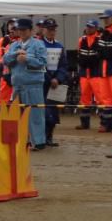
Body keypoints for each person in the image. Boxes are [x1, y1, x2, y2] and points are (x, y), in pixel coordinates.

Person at [3, 18, 48, 149]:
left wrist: (27, 58)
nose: (21, 32)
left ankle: (38, 142)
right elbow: (5, 60)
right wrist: (15, 55)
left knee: (35, 115)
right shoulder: (14, 45)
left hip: (33, 85)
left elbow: (42, 62)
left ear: (31, 30)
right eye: (19, 30)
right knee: (18, 115)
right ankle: (23, 140)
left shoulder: (38, 45)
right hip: (17, 85)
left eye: (24, 30)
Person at [41, 18, 68, 147]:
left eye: (53, 29)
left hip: (55, 83)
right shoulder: (39, 45)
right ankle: (42, 136)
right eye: (49, 29)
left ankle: (49, 136)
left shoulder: (59, 46)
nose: (52, 32)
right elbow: (40, 65)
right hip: (43, 82)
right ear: (44, 30)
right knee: (43, 111)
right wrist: (49, 78)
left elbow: (63, 65)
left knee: (53, 112)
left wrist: (58, 78)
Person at [75, 20, 102, 130]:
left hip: (96, 74)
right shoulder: (82, 40)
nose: (88, 29)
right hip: (84, 74)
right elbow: (79, 54)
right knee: (84, 99)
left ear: (96, 28)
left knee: (100, 99)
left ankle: (104, 124)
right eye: (87, 27)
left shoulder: (100, 39)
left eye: (91, 27)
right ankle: (84, 123)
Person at [0, 19, 19, 105]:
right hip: (6, 74)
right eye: (11, 25)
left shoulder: (22, 40)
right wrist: (2, 65)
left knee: (18, 99)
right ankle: (2, 115)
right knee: (3, 97)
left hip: (19, 74)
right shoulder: (2, 41)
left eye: (14, 25)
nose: (12, 27)